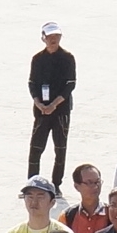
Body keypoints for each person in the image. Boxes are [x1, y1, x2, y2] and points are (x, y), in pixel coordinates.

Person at [28, 22, 76, 187]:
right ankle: (32, 182)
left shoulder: (67, 58)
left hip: (61, 110)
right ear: (44, 38)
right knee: (36, 147)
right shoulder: (37, 59)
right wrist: (39, 103)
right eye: (50, 36)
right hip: (41, 110)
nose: (53, 39)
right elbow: (32, 83)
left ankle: (56, 184)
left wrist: (54, 104)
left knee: (60, 149)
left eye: (56, 36)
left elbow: (70, 84)